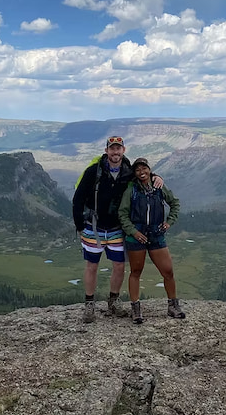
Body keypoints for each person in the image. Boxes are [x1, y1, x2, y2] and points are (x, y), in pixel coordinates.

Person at [72, 136, 162, 323]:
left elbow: (142, 177)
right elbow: (78, 199)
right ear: (106, 151)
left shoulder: (128, 172)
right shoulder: (93, 171)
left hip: (116, 229)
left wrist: (156, 176)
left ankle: (113, 301)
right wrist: (80, 226)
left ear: (124, 150)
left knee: (119, 266)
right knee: (91, 266)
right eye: (112, 149)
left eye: (118, 149)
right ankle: (90, 305)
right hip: (93, 227)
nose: (115, 152)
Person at [118, 157, 185, 324]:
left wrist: (169, 221)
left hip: (156, 234)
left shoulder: (159, 186)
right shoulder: (131, 189)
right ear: (135, 172)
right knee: (136, 272)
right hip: (136, 237)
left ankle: (173, 306)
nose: (142, 172)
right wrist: (133, 232)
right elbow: (123, 214)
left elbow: (175, 203)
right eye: (138, 169)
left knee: (168, 272)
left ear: (149, 169)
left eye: (144, 168)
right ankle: (136, 310)